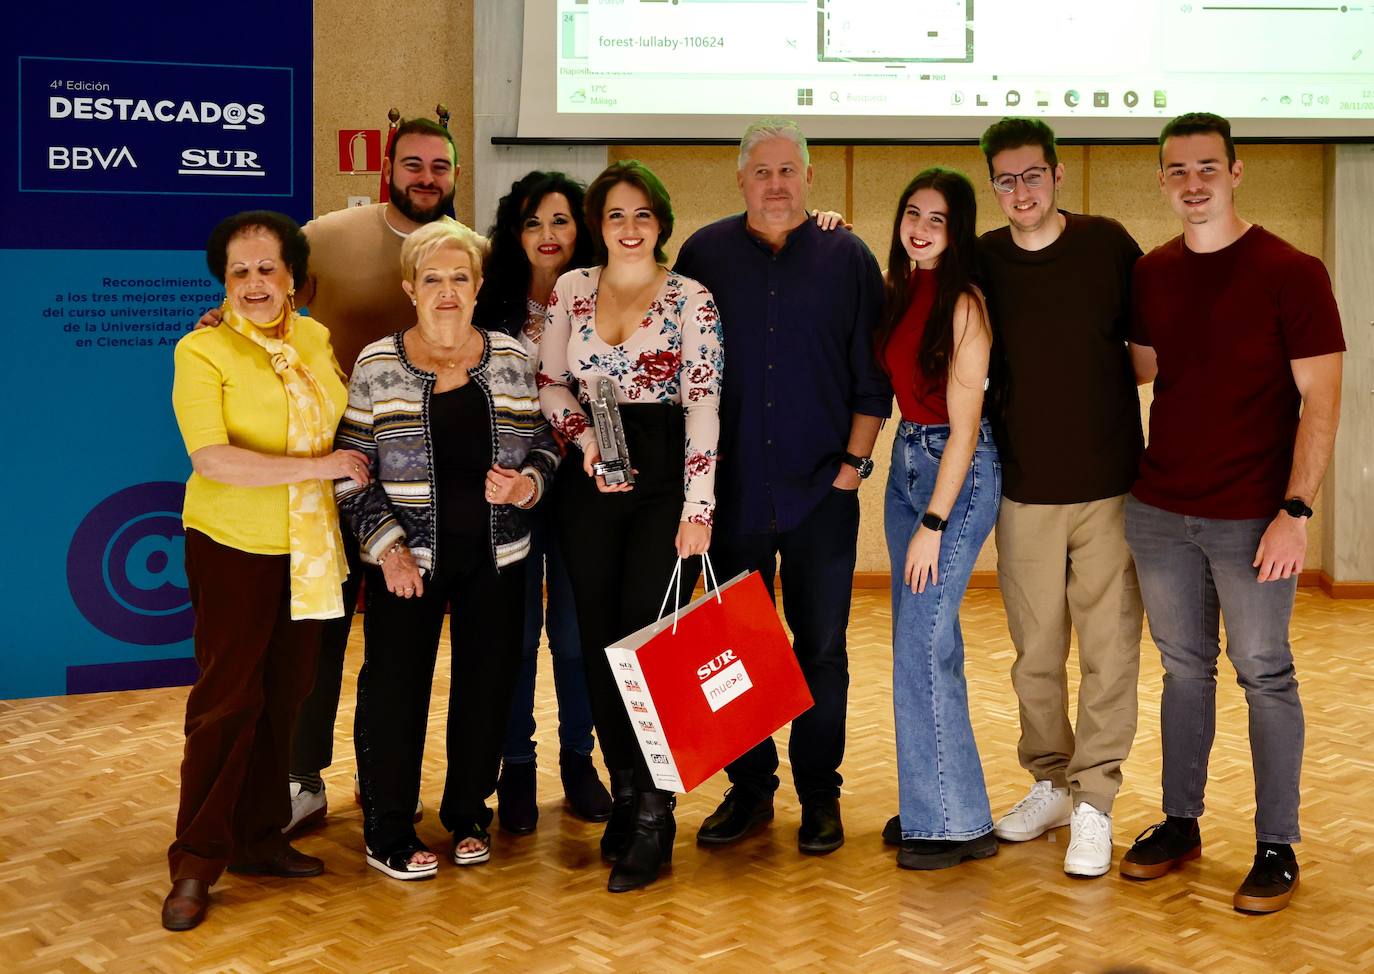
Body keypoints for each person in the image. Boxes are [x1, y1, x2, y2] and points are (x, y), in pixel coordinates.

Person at [1121, 112, 1344, 913]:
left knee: (1265, 673)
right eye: (1177, 170)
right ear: (1162, 181)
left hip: (1255, 518)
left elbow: (1322, 400)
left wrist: (1297, 509)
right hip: (1159, 510)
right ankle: (1182, 823)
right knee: (1184, 671)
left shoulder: (1293, 270)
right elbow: (1144, 369)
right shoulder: (1151, 273)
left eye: (1207, 168)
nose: (1193, 183)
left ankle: (1276, 843)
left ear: (1236, 172)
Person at [674, 119, 890, 856]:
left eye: (788, 170)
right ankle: (750, 789)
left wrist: (852, 468)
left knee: (821, 650)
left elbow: (873, 376)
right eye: (761, 171)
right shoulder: (703, 254)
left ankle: (819, 797)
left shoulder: (847, 256)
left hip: (820, 495)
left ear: (808, 178)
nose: (775, 183)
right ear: (740, 180)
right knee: (736, 652)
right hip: (732, 495)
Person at [336, 219, 559, 880]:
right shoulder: (378, 364)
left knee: (486, 691)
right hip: (407, 564)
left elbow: (546, 442)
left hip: (497, 559)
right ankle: (388, 827)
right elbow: (352, 473)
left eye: (459, 277)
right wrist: (390, 552)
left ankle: (468, 815)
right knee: (394, 695)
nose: (446, 291)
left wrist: (527, 486)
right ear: (410, 287)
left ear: (478, 284)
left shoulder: (513, 358)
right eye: (432, 278)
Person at [164, 211, 362, 930]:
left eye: (267, 269)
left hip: (309, 549)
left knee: (287, 694)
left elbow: (338, 420)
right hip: (232, 545)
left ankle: (258, 838)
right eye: (239, 271)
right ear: (223, 280)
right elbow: (211, 459)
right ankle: (195, 858)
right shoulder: (202, 349)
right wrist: (321, 468)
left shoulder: (314, 337)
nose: (253, 283)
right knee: (226, 702)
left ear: (293, 277)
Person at [538, 160, 723, 892]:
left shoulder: (691, 298)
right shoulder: (571, 290)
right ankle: (625, 791)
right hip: (592, 476)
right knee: (596, 645)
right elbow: (550, 381)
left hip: (663, 477)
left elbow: (706, 402)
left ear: (661, 221)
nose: (629, 227)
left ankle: (655, 815)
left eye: (642, 213)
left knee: (646, 650)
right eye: (615, 214)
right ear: (598, 223)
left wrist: (699, 508)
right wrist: (582, 440)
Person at [973, 118, 1145, 878]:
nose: (1020, 191)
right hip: (1024, 490)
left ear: (1058, 174)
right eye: (1005, 180)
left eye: (1031, 176)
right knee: (1035, 656)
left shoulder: (1108, 244)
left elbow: (1144, 355)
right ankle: (1050, 781)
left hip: (1111, 487)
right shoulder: (981, 260)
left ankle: (1096, 802)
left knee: (1109, 654)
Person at [473, 171, 611, 832]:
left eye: (559, 221)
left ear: (580, 229)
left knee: (576, 635)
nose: (547, 236)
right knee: (517, 633)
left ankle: (579, 762)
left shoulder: (603, 298)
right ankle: (516, 765)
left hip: (584, 487)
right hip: (509, 490)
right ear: (514, 233)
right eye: (532, 222)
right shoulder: (487, 304)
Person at [876, 169, 1000, 870]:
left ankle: (954, 823)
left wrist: (933, 521)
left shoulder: (965, 306)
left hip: (955, 476)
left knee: (924, 644)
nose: (921, 227)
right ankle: (937, 799)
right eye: (911, 212)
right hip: (906, 463)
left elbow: (963, 429)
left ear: (958, 233)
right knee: (919, 641)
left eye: (939, 219)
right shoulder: (902, 290)